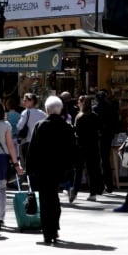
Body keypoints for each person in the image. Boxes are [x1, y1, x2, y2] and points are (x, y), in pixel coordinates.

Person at [25, 95, 76, 243]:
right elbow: (72, 150)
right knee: (54, 197)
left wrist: (29, 169)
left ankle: (48, 231)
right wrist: (70, 168)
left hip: (43, 168)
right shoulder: (66, 127)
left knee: (46, 199)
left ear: (47, 110)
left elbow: (32, 149)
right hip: (59, 169)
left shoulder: (40, 126)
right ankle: (54, 227)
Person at [0, 97, 23, 224]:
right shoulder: (6, 125)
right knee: (1, 188)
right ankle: (1, 217)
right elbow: (10, 145)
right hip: (2, 158)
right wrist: (16, 163)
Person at [70, 95, 104, 202]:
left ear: (81, 103)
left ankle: (75, 192)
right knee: (92, 170)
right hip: (93, 146)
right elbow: (100, 130)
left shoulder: (79, 117)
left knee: (78, 170)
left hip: (81, 146)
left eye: (79, 102)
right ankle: (93, 193)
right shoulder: (95, 116)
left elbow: (76, 132)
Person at [93, 89, 119, 193]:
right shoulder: (111, 108)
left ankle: (99, 185)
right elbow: (116, 122)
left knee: (97, 161)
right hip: (108, 136)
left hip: (97, 136)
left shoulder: (95, 109)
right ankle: (109, 185)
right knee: (106, 161)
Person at [16, 93, 47, 169]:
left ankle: (29, 178)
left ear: (32, 101)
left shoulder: (26, 112)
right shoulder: (42, 113)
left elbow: (19, 127)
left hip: (28, 142)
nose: (23, 102)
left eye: (25, 100)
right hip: (40, 143)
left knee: (28, 164)